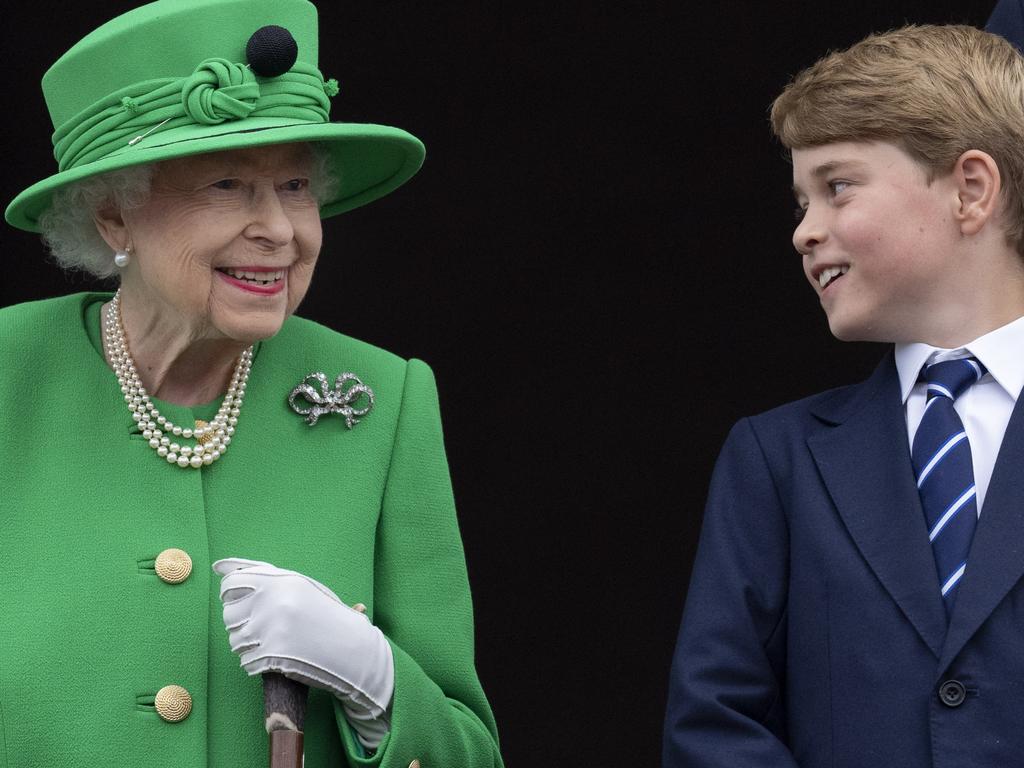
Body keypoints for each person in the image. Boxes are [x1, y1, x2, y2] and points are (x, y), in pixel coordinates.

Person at [0, 1, 502, 766]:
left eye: (297, 186)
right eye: (228, 184)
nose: (280, 229)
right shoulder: (9, 372)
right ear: (113, 217)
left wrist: (378, 686)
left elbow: (471, 754)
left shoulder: (384, 400)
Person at [663, 24, 1024, 768]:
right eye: (801, 203)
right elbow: (714, 724)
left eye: (836, 187)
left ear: (972, 189)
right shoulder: (776, 459)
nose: (804, 231)